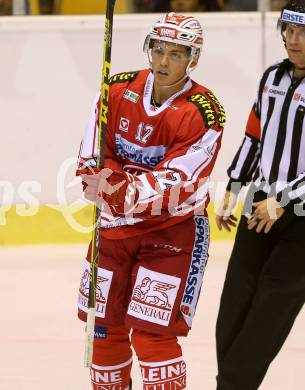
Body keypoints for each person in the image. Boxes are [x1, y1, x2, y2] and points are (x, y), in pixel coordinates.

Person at [76, 12, 226, 390]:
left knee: (151, 335)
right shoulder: (115, 89)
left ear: (193, 59)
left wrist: (119, 190)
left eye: (176, 54)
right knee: (104, 332)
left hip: (170, 234)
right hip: (113, 229)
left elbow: (180, 179)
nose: (163, 61)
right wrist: (104, 181)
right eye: (158, 49)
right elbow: (94, 152)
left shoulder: (205, 112)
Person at [215, 1, 305, 389]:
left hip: (300, 215)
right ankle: (231, 383)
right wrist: (235, 187)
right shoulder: (272, 78)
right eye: (288, 30)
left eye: (303, 33)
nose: (293, 40)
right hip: (259, 203)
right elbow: (254, 137)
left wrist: (284, 200)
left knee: (271, 306)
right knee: (235, 299)